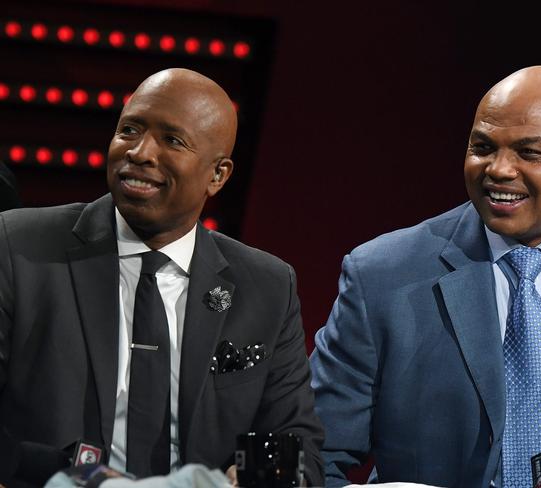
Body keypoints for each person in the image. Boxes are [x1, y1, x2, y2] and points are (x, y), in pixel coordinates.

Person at [309, 66, 541, 488]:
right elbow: (313, 455)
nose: (499, 170)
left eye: (530, 153)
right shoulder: (382, 275)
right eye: (483, 147)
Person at [0, 68, 323, 486]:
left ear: (217, 175)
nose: (140, 152)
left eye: (172, 140)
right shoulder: (19, 245)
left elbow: (292, 439)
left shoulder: (267, 285)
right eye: (130, 130)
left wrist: (240, 482)